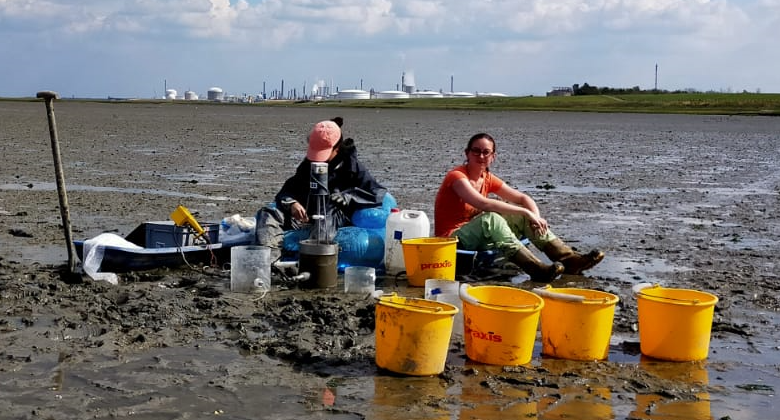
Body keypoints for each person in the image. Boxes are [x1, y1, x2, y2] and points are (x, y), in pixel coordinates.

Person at [434, 132, 604, 282]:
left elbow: (522, 198)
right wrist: (525, 211)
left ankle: (568, 260)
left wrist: (534, 216)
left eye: (486, 152)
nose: (481, 156)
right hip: (452, 241)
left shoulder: (487, 177)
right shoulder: (457, 177)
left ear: (493, 156)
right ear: (467, 154)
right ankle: (535, 269)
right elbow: (483, 203)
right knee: (492, 218)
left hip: (476, 238)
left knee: (522, 216)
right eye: (476, 151)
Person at [255, 117, 387, 260]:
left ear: (337, 148)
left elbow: (377, 192)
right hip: (305, 216)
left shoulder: (352, 168)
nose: (318, 159)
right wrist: (292, 203)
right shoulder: (307, 166)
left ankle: (312, 261)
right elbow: (287, 190)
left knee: (328, 213)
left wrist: (348, 196)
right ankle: (270, 261)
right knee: (268, 212)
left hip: (332, 217)